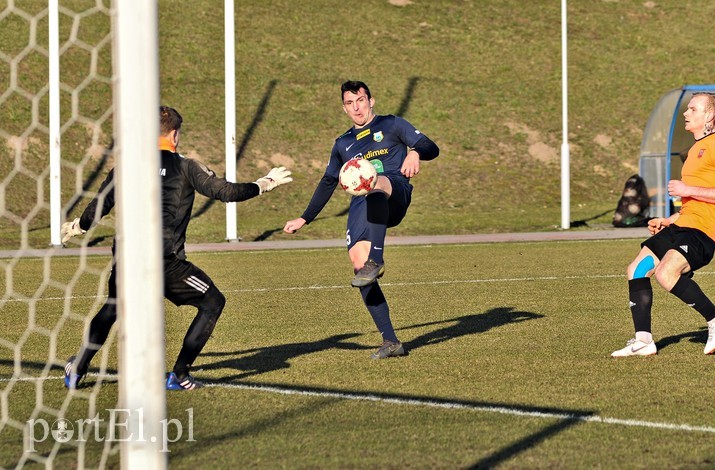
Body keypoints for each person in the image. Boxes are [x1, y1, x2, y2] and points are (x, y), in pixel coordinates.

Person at [61, 106, 292, 390]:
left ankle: (77, 369)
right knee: (213, 303)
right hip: (165, 262)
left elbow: (99, 205)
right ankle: (179, 374)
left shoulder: (127, 165)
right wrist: (263, 184)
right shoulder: (185, 166)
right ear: (174, 134)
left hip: (129, 259)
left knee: (112, 309)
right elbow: (226, 192)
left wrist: (78, 227)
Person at [283, 80, 439, 359]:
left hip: (394, 190)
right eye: (350, 103)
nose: (356, 107)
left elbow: (431, 146)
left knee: (375, 184)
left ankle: (376, 258)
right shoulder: (343, 143)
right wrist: (305, 218)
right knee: (359, 270)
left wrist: (414, 152)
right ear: (344, 108)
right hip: (361, 204)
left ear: (371, 101)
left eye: (361, 100)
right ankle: (391, 342)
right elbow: (329, 181)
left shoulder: (392, 125)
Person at [612, 92, 715, 357]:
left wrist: (686, 188)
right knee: (636, 268)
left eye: (693, 109)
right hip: (683, 225)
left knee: (665, 274)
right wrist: (668, 220)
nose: (686, 113)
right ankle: (644, 340)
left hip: (701, 232)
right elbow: (694, 202)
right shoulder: (695, 149)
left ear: (709, 116)